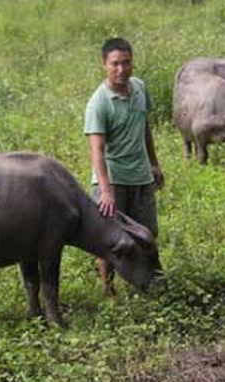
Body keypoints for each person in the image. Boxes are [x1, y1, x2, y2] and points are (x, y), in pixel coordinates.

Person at [84, 37, 164, 296]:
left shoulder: (139, 88)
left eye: (126, 63)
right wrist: (106, 191)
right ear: (104, 65)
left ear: (132, 62)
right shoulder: (99, 102)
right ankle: (108, 289)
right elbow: (96, 150)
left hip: (140, 176)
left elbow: (145, 127)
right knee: (109, 240)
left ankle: (148, 283)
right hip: (112, 180)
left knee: (146, 234)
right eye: (115, 64)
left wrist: (154, 163)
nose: (121, 69)